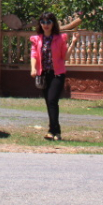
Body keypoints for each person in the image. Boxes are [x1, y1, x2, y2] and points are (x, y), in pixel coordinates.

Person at [29, 12, 80, 141]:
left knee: (52, 100)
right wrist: (33, 68)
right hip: (43, 74)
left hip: (57, 74)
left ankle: (52, 130)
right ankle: (56, 132)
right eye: (43, 22)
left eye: (48, 22)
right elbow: (34, 55)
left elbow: (65, 57)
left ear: (53, 24)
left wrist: (73, 43)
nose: (46, 25)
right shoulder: (37, 39)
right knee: (49, 103)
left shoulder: (60, 38)